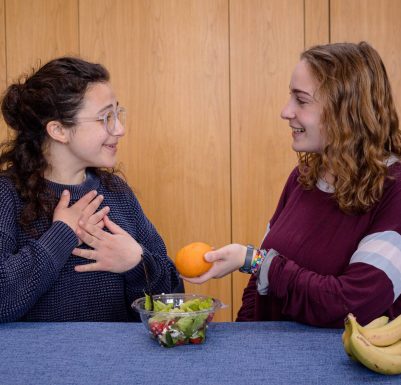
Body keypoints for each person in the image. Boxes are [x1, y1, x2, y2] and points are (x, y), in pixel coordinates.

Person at [184, 41, 401, 328]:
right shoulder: (304, 177)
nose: (285, 112)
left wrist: (258, 262)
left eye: (301, 100)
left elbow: (350, 305)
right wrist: (244, 341)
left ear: (346, 111)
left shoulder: (394, 192)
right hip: (274, 364)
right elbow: (259, 286)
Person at [0, 57, 179, 322]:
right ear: (59, 130)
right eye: (106, 117)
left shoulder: (117, 192)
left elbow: (173, 296)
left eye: (118, 114)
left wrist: (136, 263)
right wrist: (61, 236)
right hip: (36, 364)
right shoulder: (7, 195)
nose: (120, 129)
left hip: (116, 363)